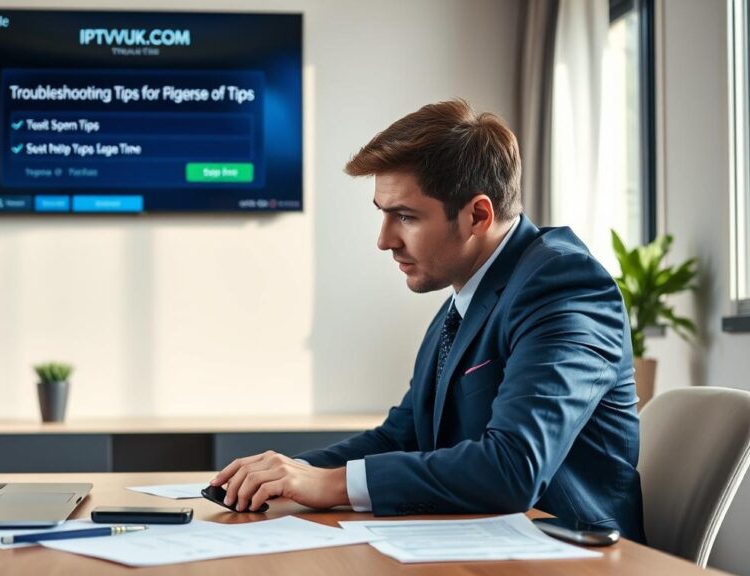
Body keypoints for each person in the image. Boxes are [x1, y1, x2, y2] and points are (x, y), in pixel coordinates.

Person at [210, 98, 646, 542]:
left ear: (478, 215)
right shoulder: (466, 296)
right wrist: (292, 471)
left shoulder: (563, 286)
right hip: (483, 547)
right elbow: (402, 436)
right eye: (382, 213)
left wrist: (329, 484)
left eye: (405, 216)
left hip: (575, 562)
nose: (384, 240)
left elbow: (514, 468)